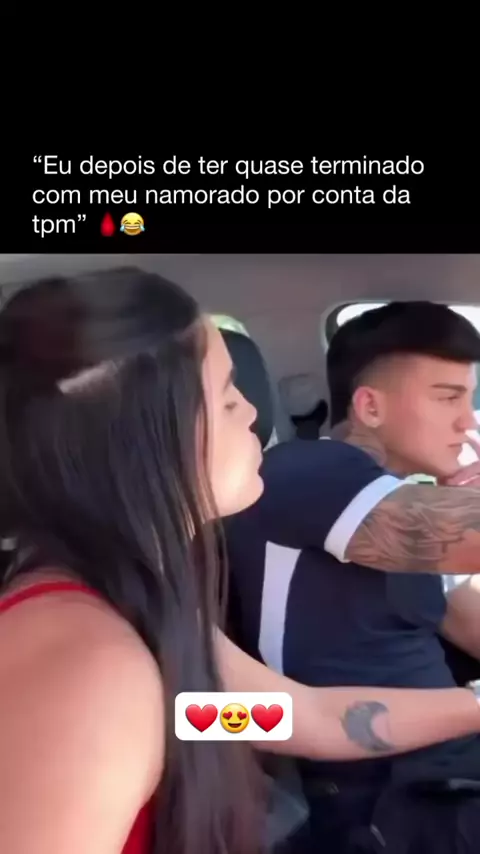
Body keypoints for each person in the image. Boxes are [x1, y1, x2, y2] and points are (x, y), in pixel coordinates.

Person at [1, 278, 480, 854]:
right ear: (148, 436)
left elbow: (305, 718)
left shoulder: (148, 612)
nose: (254, 411)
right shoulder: (90, 666)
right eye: (229, 398)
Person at [223, 301, 480, 852]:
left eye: (469, 398)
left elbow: (466, 618)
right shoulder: (306, 470)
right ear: (369, 406)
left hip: (443, 766)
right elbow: (271, 720)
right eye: (447, 398)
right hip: (393, 795)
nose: (468, 420)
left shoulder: (389, 504)